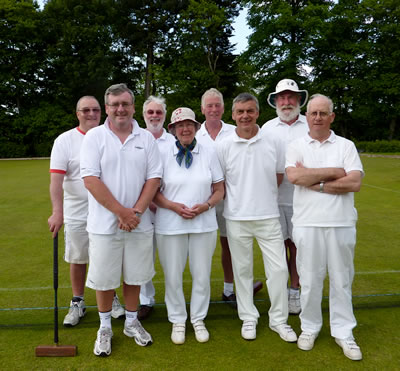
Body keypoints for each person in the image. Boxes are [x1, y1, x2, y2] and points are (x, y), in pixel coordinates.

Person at [80, 83, 162, 357]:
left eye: (125, 104)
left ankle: (131, 322)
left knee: (135, 275)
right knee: (104, 280)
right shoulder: (94, 137)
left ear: (133, 107)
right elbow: (91, 179)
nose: (120, 109)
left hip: (138, 223)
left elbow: (154, 179)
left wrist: (136, 212)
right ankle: (104, 327)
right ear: (107, 108)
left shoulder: (146, 138)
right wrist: (121, 212)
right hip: (105, 225)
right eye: (115, 104)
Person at [286, 94, 364, 361]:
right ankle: (309, 327)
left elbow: (354, 182)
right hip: (307, 223)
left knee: (342, 280)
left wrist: (316, 182)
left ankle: (344, 332)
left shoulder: (346, 145)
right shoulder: (296, 145)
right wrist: (335, 172)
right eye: (313, 113)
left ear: (332, 116)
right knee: (308, 280)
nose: (317, 117)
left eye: (322, 113)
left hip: (341, 222)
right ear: (306, 117)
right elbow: (295, 176)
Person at [217, 93, 297, 343]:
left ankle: (279, 320)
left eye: (249, 111)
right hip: (237, 218)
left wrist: (260, 196)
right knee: (242, 270)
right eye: (240, 112)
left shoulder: (273, 141)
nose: (245, 116)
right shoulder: (223, 145)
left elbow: (278, 176)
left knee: (278, 269)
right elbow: (221, 182)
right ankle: (248, 317)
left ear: (258, 113)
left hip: (268, 216)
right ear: (232, 115)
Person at [48, 96, 125, 328]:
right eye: (86, 110)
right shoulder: (64, 141)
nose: (91, 114)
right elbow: (56, 180)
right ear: (77, 113)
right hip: (77, 211)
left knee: (106, 257)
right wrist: (56, 212)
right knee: (78, 257)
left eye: (95, 109)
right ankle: (78, 301)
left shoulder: (110, 136)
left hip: (106, 210)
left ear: (102, 112)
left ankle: (111, 299)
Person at [154, 107, 224, 345]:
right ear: (172, 129)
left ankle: (198, 319)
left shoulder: (209, 151)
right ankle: (177, 320)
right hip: (170, 224)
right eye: (179, 125)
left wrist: (205, 206)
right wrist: (174, 207)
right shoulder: (161, 152)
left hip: (203, 223)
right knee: (173, 275)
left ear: (196, 127)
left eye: (189, 125)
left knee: (202, 274)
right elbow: (153, 192)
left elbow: (219, 190)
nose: (185, 129)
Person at [261, 79, 309, 314]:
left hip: (304, 199)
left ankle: (294, 291)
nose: (287, 101)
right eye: (282, 97)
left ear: (299, 100)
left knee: (298, 246)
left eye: (291, 97)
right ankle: (279, 294)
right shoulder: (267, 128)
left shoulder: (310, 124)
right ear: (276, 101)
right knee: (277, 248)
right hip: (271, 200)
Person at [138, 95, 175, 320]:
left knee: (171, 257)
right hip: (142, 208)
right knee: (143, 256)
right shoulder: (137, 139)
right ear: (144, 115)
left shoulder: (173, 141)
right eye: (150, 112)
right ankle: (145, 300)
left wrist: (162, 202)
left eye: (158, 112)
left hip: (167, 208)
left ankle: (174, 299)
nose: (154, 116)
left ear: (164, 115)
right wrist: (147, 201)